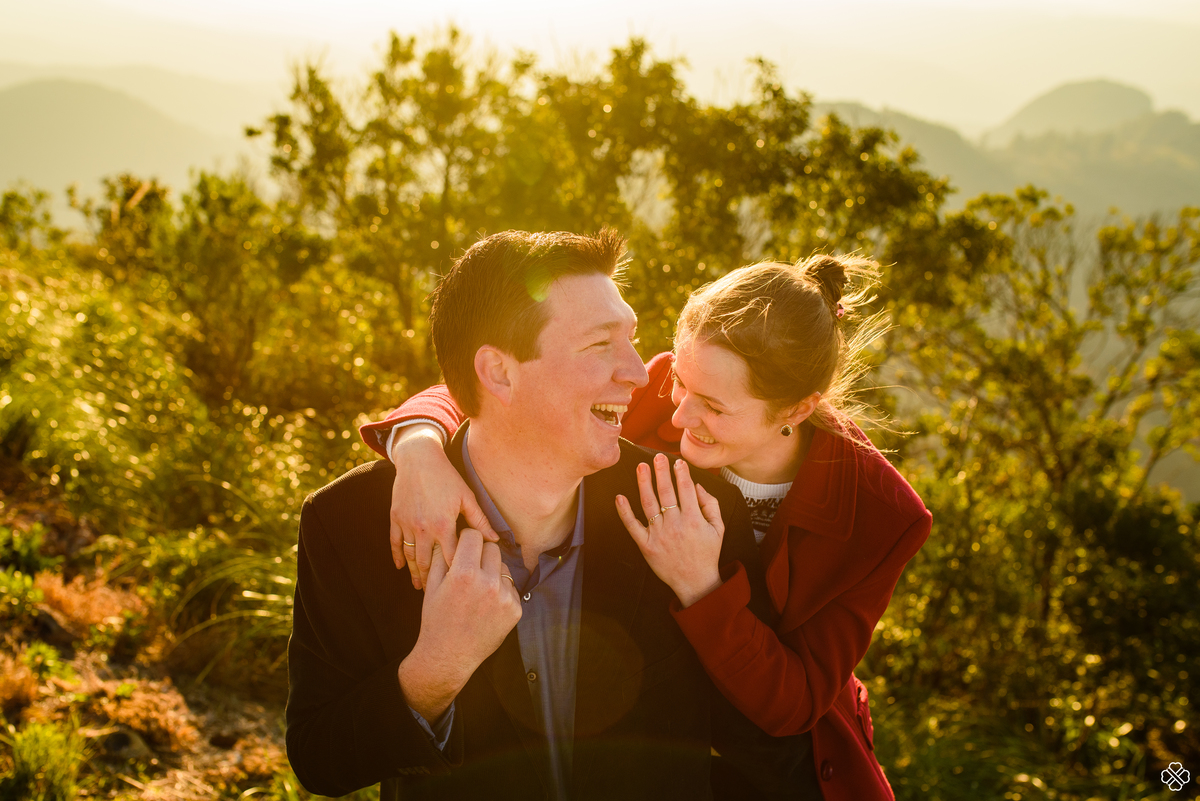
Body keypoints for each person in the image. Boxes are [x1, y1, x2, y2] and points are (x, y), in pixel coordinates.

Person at [363, 253, 933, 801]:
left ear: (795, 411)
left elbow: (795, 703)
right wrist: (417, 447)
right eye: (682, 382)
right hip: (646, 726)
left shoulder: (882, 516)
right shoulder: (658, 386)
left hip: (775, 763)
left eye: (711, 405)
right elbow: (504, 390)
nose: (679, 414)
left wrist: (699, 587)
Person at [287, 229, 773, 801]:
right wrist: (434, 670)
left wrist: (704, 595)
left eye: (633, 340)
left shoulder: (692, 510)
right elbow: (319, 758)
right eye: (599, 345)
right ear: (499, 373)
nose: (639, 373)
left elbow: (762, 740)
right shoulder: (349, 523)